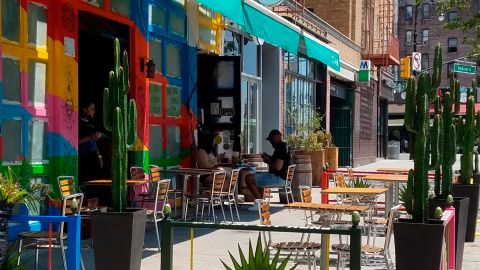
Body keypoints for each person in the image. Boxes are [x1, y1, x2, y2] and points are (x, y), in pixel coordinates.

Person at [245, 129, 291, 211]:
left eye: (271, 140)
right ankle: (261, 201)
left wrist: (267, 161)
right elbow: (278, 161)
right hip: (283, 177)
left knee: (248, 178)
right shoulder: (284, 146)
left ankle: (260, 203)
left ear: (276, 137)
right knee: (257, 176)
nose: (271, 142)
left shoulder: (281, 148)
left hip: (278, 178)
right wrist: (268, 156)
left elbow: (277, 167)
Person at [78, 101, 103, 185]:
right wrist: (89, 137)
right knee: (84, 183)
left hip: (93, 157)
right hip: (82, 158)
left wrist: (99, 156)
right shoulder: (77, 123)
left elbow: (94, 143)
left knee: (92, 183)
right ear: (84, 109)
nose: (94, 111)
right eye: (91, 109)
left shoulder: (91, 123)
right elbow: (74, 141)